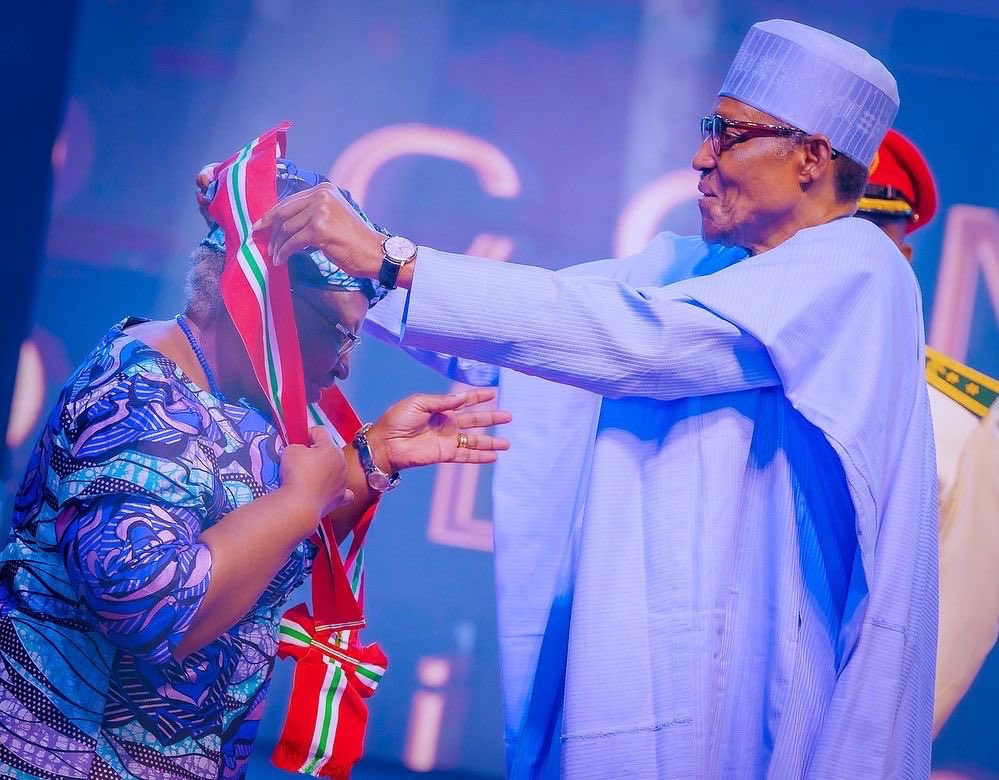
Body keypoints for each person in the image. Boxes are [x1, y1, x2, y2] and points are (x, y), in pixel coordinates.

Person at [258, 19, 939, 777]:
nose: (699, 156)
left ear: (812, 156)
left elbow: (636, 339)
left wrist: (390, 260)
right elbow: (522, 325)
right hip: (661, 659)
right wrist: (294, 223)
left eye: (729, 134)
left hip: (764, 693)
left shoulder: (858, 269)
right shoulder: (694, 267)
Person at [0, 158, 511, 779]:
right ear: (261, 294)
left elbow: (246, 534)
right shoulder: (141, 394)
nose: (346, 366)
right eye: (338, 333)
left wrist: (368, 459)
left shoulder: (229, 397)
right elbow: (150, 610)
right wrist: (299, 502)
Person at [855, 128, 999, 736]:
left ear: (903, 258)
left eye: (868, 240)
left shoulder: (971, 426)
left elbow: (948, 644)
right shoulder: (719, 370)